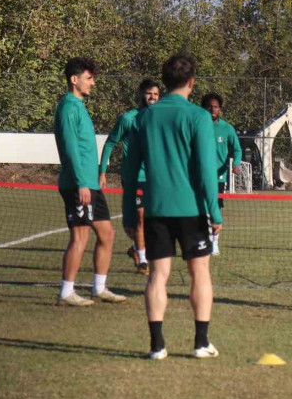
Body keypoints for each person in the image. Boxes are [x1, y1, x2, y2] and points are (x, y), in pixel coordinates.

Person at [122, 53, 223, 360]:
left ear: (164, 83)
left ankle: (157, 346)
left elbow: (129, 169)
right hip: (191, 210)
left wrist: (128, 210)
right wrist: (215, 213)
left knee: (157, 275)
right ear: (191, 83)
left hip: (155, 209)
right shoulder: (199, 117)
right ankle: (201, 342)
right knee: (200, 273)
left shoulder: (145, 117)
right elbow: (207, 171)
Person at [53, 57, 126, 306]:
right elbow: (71, 149)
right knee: (80, 238)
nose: (93, 83)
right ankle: (66, 291)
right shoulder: (68, 107)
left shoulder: (79, 106)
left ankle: (99, 288)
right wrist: (82, 183)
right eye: (89, 78)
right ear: (74, 80)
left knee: (107, 234)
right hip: (78, 184)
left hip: (90, 184)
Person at [99, 79, 160, 275]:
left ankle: (136, 249)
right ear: (142, 94)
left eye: (156, 94)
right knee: (140, 217)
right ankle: (143, 261)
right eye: (149, 93)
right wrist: (102, 172)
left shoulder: (159, 119)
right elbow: (110, 144)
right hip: (134, 177)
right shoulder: (128, 118)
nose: (152, 97)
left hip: (155, 177)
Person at [201, 93, 241, 255]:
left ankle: (214, 242)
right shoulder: (198, 125)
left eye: (216, 106)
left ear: (220, 109)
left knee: (216, 209)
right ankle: (204, 240)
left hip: (218, 177)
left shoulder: (227, 128)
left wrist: (236, 163)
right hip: (199, 176)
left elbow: (237, 149)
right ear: (203, 108)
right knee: (201, 210)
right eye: (209, 106)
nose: (213, 109)